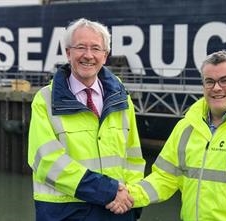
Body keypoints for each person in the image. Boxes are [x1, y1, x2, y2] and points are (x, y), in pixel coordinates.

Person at [118, 50, 226, 220]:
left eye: (225, 81)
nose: (216, 88)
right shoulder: (185, 127)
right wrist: (128, 195)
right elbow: (164, 178)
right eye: (210, 81)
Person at [28, 18, 145, 221]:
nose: (88, 55)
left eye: (96, 48)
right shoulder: (45, 100)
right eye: (80, 47)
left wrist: (133, 201)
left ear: (105, 56)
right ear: (68, 52)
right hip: (66, 213)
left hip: (117, 212)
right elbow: (47, 161)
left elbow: (133, 156)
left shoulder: (121, 98)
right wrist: (107, 191)